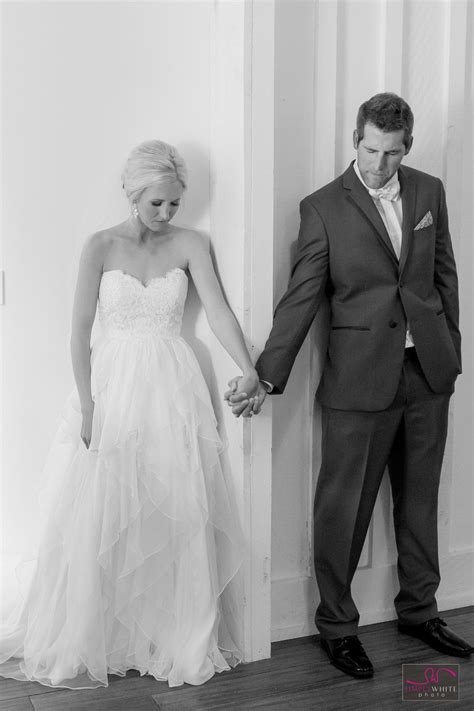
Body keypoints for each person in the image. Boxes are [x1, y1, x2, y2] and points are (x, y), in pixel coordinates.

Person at [226, 93, 473, 678]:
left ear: (406, 145)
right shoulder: (323, 207)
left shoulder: (428, 191)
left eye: (391, 153)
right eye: (369, 149)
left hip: (425, 376)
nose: (379, 164)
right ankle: (337, 627)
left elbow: (446, 276)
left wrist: (452, 353)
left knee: (420, 503)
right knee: (343, 509)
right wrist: (266, 374)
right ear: (354, 139)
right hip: (358, 383)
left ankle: (420, 610)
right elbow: (302, 297)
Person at [0, 140, 259, 689]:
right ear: (131, 193)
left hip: (172, 385)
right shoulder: (99, 245)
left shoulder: (192, 243)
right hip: (113, 384)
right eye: (156, 204)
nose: (166, 215)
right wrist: (88, 404)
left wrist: (250, 367)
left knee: (175, 503)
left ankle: (171, 636)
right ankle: (101, 635)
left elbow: (217, 311)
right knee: (102, 506)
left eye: (174, 204)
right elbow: (76, 330)